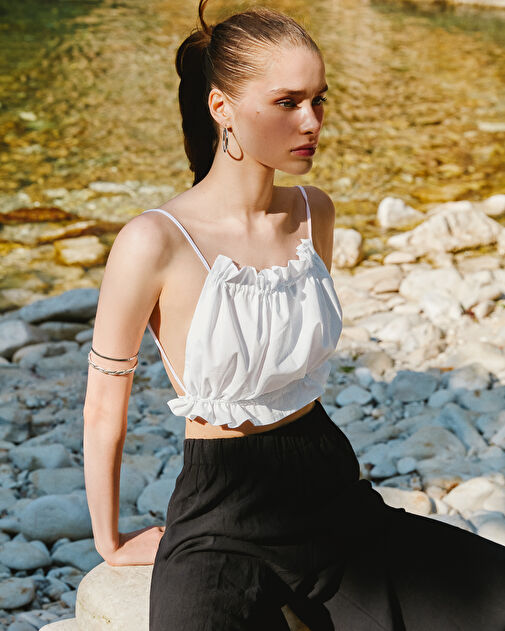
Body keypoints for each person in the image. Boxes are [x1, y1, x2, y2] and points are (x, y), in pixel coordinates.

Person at [82, 1, 505, 629]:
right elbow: (102, 407)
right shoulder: (154, 240)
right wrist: (109, 541)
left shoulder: (314, 212)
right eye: (287, 102)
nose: (312, 121)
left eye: (319, 99)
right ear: (221, 107)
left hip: (332, 496)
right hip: (219, 517)